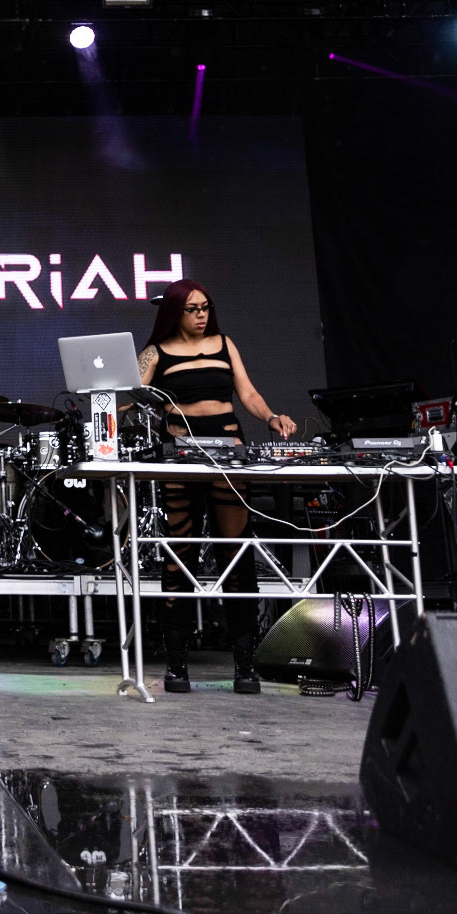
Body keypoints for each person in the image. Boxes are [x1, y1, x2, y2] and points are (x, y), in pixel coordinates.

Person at [136, 278, 296, 695]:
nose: (201, 314)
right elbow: (125, 394)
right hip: (181, 458)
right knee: (179, 557)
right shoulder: (156, 352)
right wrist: (107, 395)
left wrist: (271, 417)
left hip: (229, 455)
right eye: (192, 309)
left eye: (205, 307)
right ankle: (176, 666)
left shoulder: (225, 344)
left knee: (237, 554)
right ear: (175, 312)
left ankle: (245, 666)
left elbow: (248, 393)